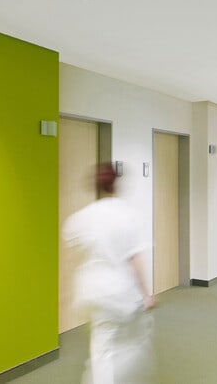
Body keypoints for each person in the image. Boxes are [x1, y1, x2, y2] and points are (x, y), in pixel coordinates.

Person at [62, 163, 155, 384]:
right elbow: (135, 259)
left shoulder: (81, 218)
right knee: (133, 342)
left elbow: (73, 255)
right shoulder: (127, 215)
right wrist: (146, 294)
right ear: (116, 185)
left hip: (93, 293)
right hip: (121, 291)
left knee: (102, 349)